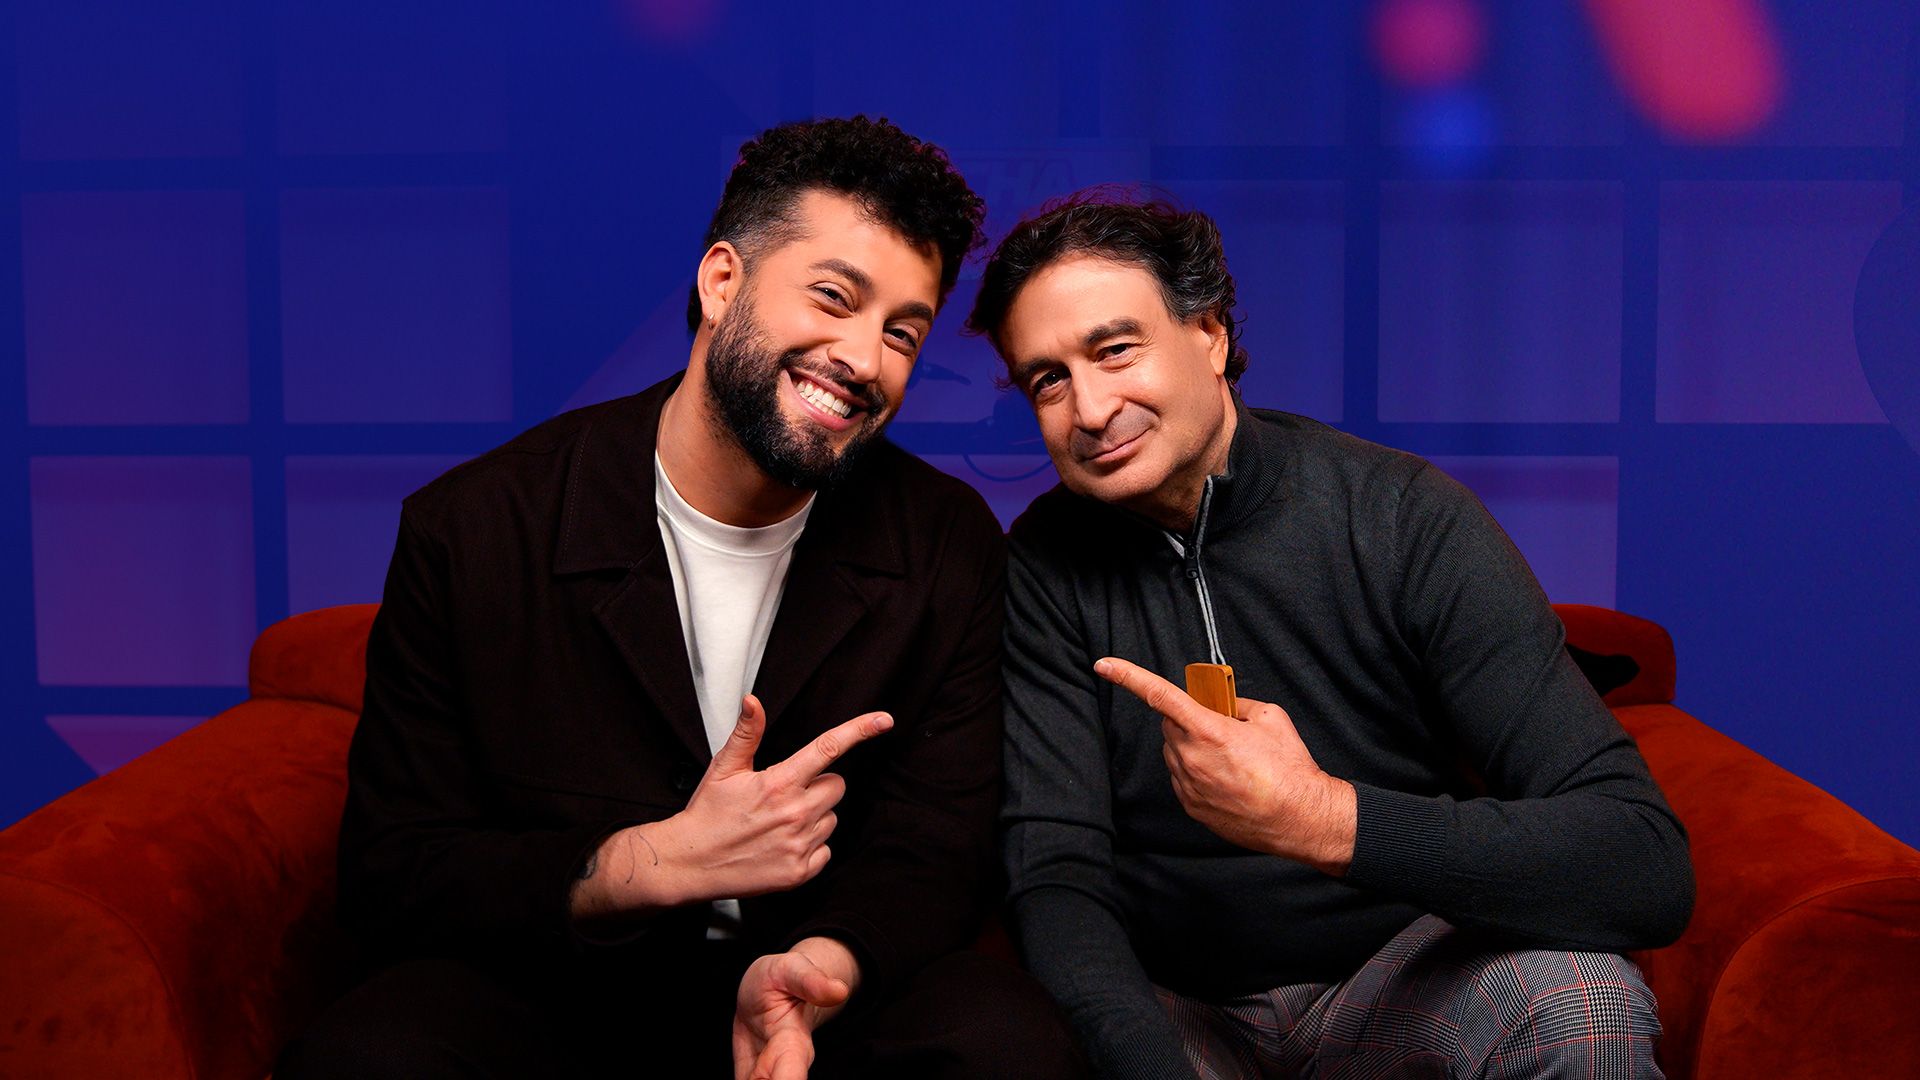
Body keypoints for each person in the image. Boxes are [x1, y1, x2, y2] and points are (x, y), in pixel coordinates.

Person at [279, 117, 1084, 1080]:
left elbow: (937, 843)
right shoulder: (476, 528)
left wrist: (822, 967)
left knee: (1006, 1044)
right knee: (367, 1055)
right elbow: (396, 871)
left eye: (901, 333)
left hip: (811, 995)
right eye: (834, 298)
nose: (865, 360)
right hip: (556, 988)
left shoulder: (946, 542)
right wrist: (655, 861)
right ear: (721, 282)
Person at [967, 194, 1695, 1080]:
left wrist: (1319, 818)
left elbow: (1643, 863)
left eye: (1116, 349)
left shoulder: (1401, 517)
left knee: (1584, 1003)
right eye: (1047, 380)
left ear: (1210, 334)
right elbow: (1056, 875)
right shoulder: (1044, 563)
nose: (1089, 408)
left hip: (1399, 980)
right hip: (1180, 1006)